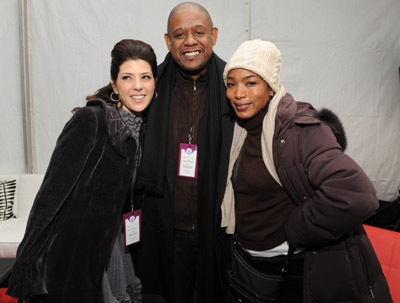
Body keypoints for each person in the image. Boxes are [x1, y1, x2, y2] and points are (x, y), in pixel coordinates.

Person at [221, 39, 393, 302]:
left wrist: (296, 229)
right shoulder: (239, 130)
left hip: (293, 270)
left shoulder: (300, 130)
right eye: (231, 84)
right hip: (249, 267)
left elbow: (357, 195)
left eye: (250, 82)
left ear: (271, 87)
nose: (238, 93)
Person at [6, 39, 158, 303]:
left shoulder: (145, 130)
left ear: (155, 82)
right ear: (114, 84)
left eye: (145, 77)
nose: (137, 86)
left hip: (112, 248)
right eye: (127, 77)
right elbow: (49, 196)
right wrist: (28, 263)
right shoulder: (92, 120)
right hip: (75, 252)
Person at [132, 2, 234, 303]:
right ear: (168, 41)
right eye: (179, 34)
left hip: (216, 232)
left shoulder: (234, 87)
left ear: (213, 35)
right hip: (163, 231)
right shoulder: (149, 88)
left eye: (198, 32)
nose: (189, 42)